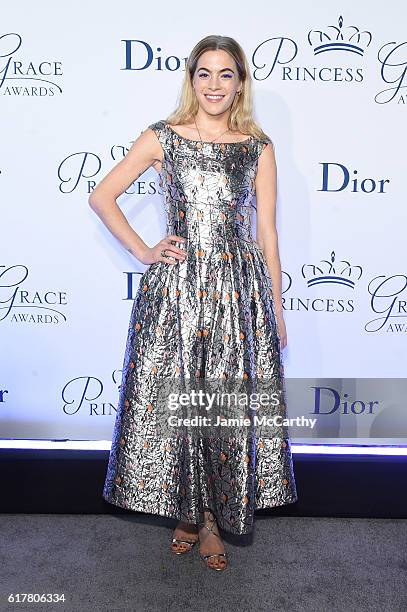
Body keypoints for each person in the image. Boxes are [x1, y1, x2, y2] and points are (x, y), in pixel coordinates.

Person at [89, 34, 298, 572]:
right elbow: (101, 196)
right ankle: (185, 512)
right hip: (177, 289)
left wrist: (275, 308)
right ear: (191, 79)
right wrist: (144, 249)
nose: (213, 85)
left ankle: (208, 519)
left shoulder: (257, 144)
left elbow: (267, 232)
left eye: (225, 74)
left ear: (240, 83)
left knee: (222, 406)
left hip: (237, 290)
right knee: (176, 402)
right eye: (204, 73)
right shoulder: (163, 137)